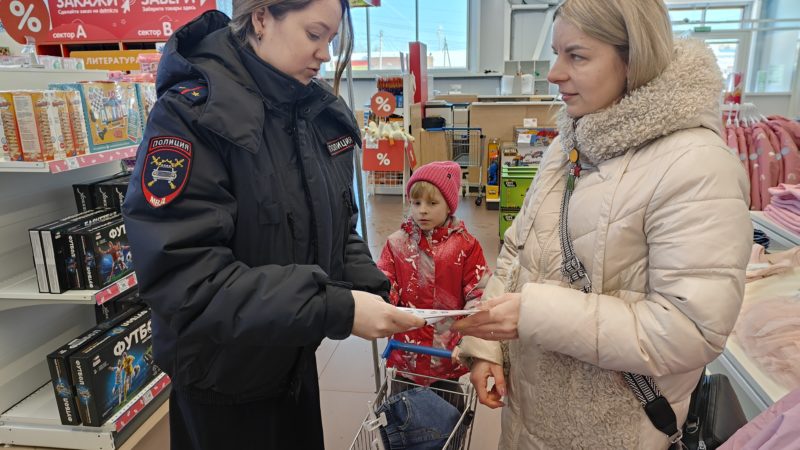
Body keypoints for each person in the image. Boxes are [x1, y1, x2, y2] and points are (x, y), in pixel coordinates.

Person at [121, 1, 424, 448]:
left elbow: (339, 225)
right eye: (314, 34)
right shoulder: (192, 117)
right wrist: (336, 308)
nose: (324, 53)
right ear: (262, 18)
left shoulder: (315, 112)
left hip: (291, 361)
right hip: (223, 386)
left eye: (331, 41)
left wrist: (376, 289)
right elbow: (187, 279)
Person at [452, 0, 752, 448]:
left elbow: (690, 330)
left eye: (577, 56)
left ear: (633, 60)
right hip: (529, 417)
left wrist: (533, 314)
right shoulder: (569, 144)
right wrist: (486, 348)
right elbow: (518, 249)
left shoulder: (698, 165)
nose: (554, 73)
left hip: (616, 431)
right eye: (556, 53)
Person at [376, 161, 489, 398]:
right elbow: (385, 283)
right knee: (401, 415)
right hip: (406, 348)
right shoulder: (397, 244)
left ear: (450, 206)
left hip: (447, 352)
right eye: (416, 203)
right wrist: (382, 302)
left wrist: (470, 339)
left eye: (432, 203)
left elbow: (478, 292)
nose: (422, 210)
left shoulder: (466, 246)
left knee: (448, 413)